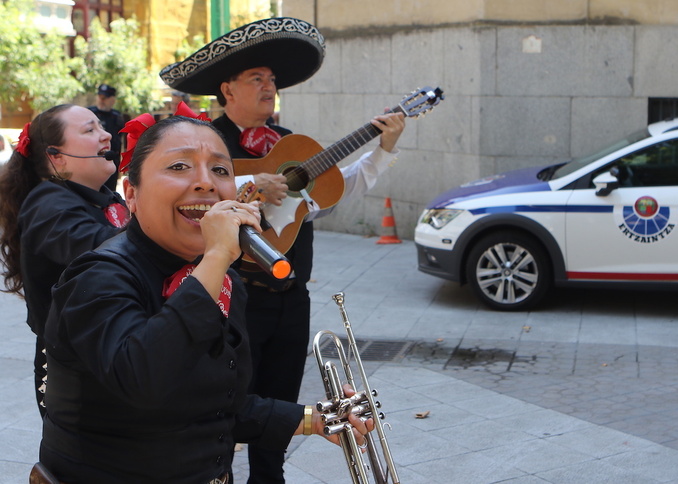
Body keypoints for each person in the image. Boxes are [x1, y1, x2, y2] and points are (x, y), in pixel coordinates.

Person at [38, 113, 372, 483]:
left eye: (221, 170)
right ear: (131, 194)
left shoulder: (225, 281)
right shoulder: (97, 276)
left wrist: (319, 419)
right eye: (179, 166)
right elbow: (144, 381)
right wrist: (215, 257)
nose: (205, 183)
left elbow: (215, 404)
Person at [160, 17, 405, 483]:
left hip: (292, 295)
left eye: (272, 80)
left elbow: (335, 191)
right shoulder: (203, 142)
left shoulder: (291, 143)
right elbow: (190, 199)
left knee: (281, 403)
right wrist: (252, 182)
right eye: (257, 79)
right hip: (233, 295)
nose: (269, 87)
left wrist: (384, 150)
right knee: (228, 401)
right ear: (227, 90)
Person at [0, 104, 128, 417]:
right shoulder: (49, 203)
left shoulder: (105, 199)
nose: (106, 135)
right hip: (77, 378)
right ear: (56, 156)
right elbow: (102, 249)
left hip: (111, 360)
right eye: (90, 130)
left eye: (101, 126)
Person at [88, 83, 125, 191]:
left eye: (106, 97)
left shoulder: (117, 116)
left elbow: (120, 141)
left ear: (113, 100)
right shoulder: (90, 114)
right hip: (93, 159)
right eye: (100, 96)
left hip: (111, 160)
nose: (102, 100)